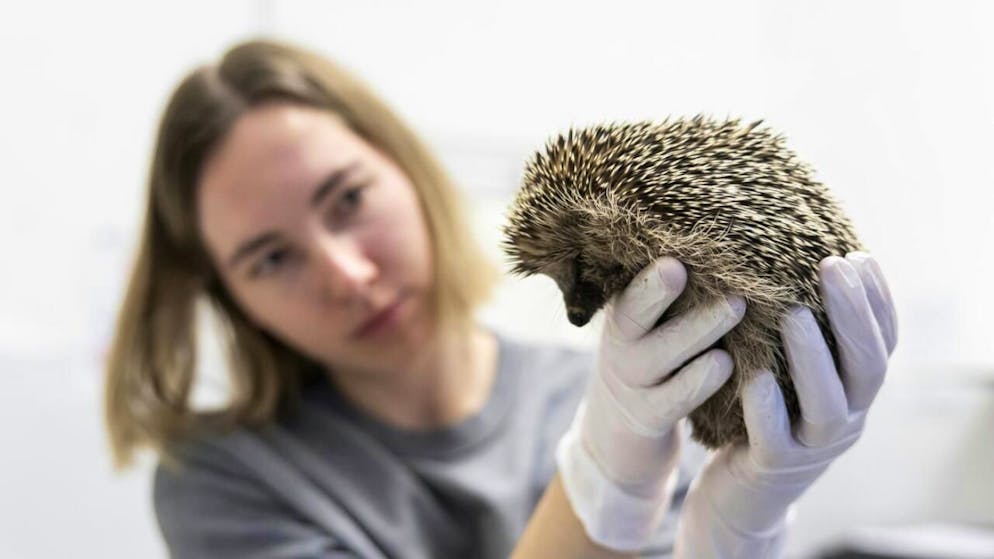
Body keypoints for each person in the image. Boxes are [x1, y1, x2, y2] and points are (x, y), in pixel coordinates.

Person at [103, 38, 898, 559]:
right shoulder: (223, 483)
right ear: (233, 299)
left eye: (347, 198)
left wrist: (736, 532)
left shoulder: (651, 382)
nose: (346, 273)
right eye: (271, 256)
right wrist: (599, 484)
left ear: (409, 173)